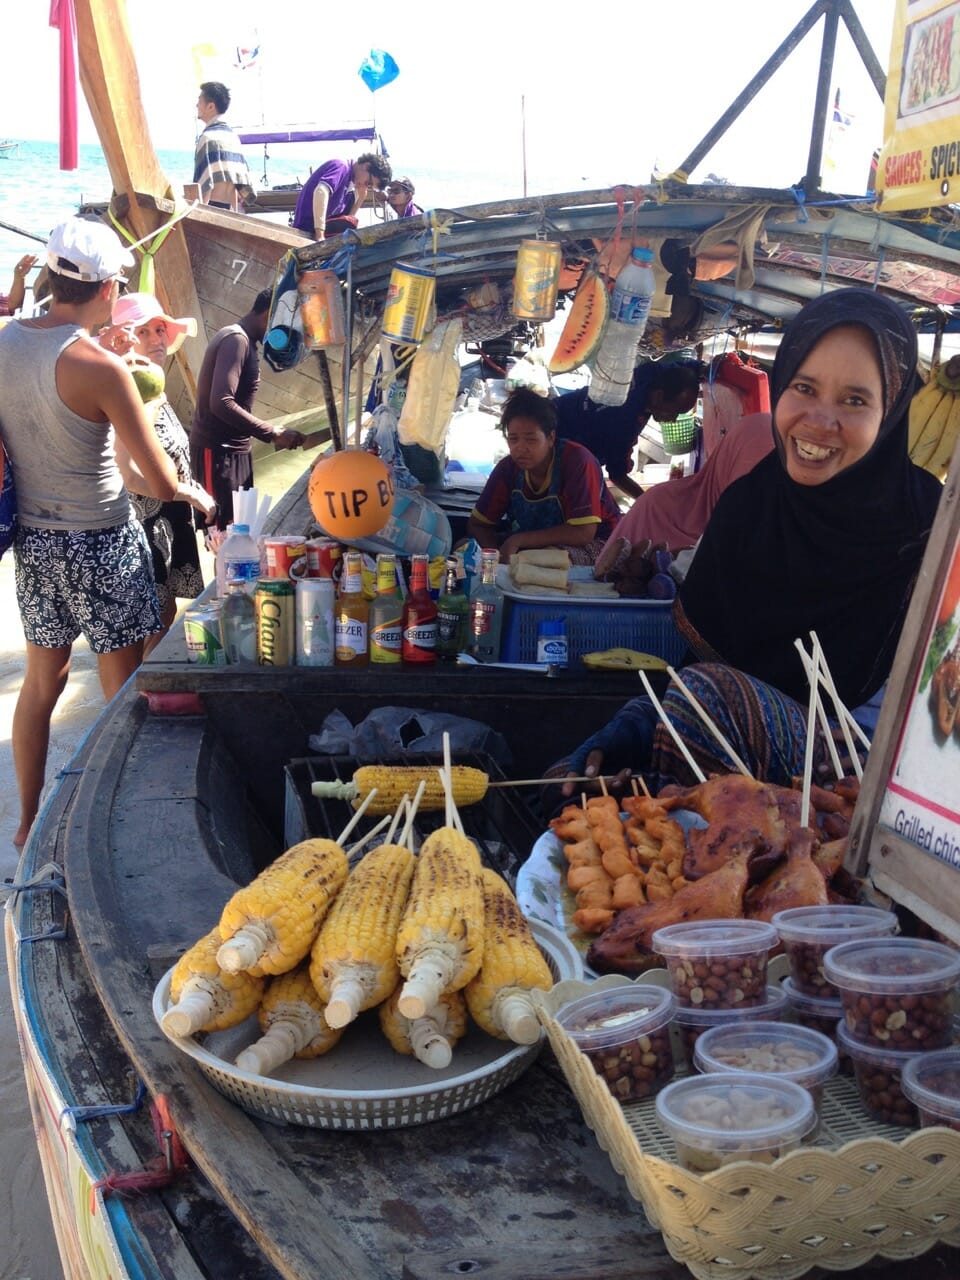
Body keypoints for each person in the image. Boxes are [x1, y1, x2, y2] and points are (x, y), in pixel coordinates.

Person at [557, 287, 943, 800]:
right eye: (804, 388)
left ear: (891, 410)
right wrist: (632, 726)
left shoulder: (933, 531)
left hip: (876, 788)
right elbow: (708, 668)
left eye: (855, 400)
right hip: (737, 775)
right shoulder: (750, 506)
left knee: (707, 697)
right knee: (574, 779)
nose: (820, 421)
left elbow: (940, 729)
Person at [0, 217, 178, 849]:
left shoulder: (4, 341)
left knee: (40, 686)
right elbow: (157, 482)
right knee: (121, 695)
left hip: (34, 543)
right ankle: (102, 827)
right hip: (101, 542)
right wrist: (195, 492)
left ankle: (25, 823)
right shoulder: (102, 368)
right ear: (108, 287)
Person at [100, 292, 217, 655]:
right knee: (143, 634)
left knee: (162, 620)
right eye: (145, 332)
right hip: (143, 530)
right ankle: (134, 704)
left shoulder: (148, 385)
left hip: (165, 525)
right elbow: (129, 474)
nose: (156, 340)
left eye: (160, 330)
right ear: (124, 339)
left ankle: (144, 697)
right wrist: (188, 493)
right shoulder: (125, 389)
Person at [189, 288, 304, 529]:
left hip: (235, 454)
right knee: (222, 536)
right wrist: (271, 432)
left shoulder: (246, 342)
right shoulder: (236, 340)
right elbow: (221, 402)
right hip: (219, 454)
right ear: (273, 314)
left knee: (241, 535)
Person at [466, 387, 622, 564]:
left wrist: (518, 541)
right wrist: (494, 558)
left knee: (544, 561)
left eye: (531, 439)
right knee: (464, 547)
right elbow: (478, 525)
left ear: (551, 438)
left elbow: (583, 532)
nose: (520, 448)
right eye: (513, 439)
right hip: (534, 544)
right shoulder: (507, 469)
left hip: (599, 544)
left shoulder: (578, 461)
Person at [599, 411, 775, 560]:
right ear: (726, 462)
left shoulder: (778, 530)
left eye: (767, 483)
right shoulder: (655, 507)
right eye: (744, 479)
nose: (752, 497)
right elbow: (601, 580)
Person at [554, 359, 701, 500]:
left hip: (562, 407)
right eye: (674, 411)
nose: (674, 419)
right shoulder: (625, 420)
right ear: (659, 396)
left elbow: (680, 368)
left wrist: (702, 368)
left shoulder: (650, 373)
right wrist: (648, 502)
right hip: (559, 440)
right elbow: (617, 474)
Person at [291, 153, 392, 240]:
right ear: (366, 166)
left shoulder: (351, 185)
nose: (366, 186)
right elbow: (321, 192)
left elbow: (346, 222)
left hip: (313, 234)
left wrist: (360, 199)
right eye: (368, 183)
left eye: (370, 187)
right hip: (304, 231)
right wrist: (320, 234)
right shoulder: (341, 167)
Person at [193, 81, 252, 211]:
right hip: (229, 210)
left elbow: (206, 185)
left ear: (210, 107)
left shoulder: (208, 139)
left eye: (200, 101)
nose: (197, 105)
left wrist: (200, 213)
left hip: (210, 208)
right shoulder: (233, 138)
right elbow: (239, 187)